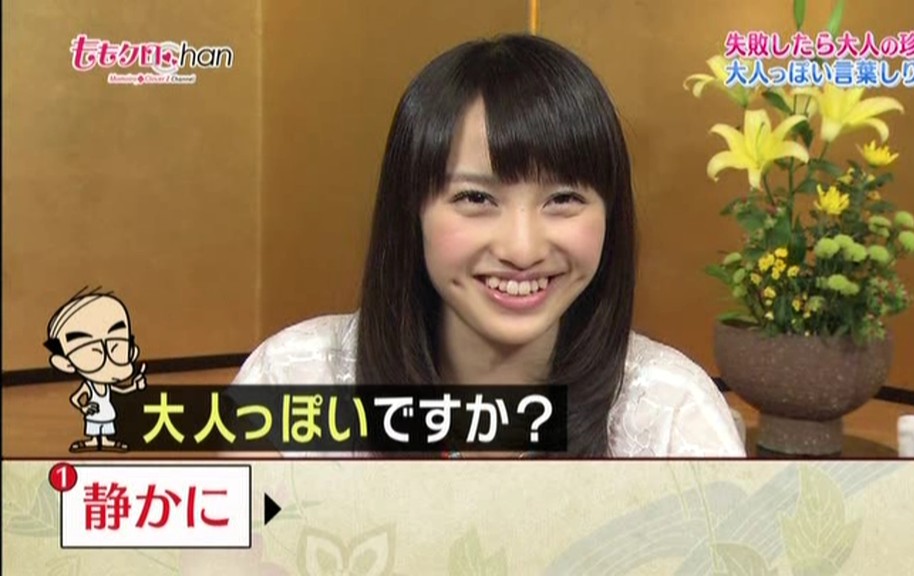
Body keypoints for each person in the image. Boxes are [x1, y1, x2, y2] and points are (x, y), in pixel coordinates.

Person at [233, 34, 745, 458]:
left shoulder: (670, 415)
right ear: (412, 210)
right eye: (475, 198)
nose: (522, 250)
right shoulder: (292, 381)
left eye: (563, 199)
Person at [45, 289, 148, 452]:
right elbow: (75, 398)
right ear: (65, 363)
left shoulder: (107, 384)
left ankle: (105, 441)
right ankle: (93, 441)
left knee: (106, 428)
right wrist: (85, 408)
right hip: (94, 415)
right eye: (93, 351)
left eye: (116, 346)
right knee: (94, 429)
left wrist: (135, 386)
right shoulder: (89, 385)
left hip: (107, 414)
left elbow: (121, 390)